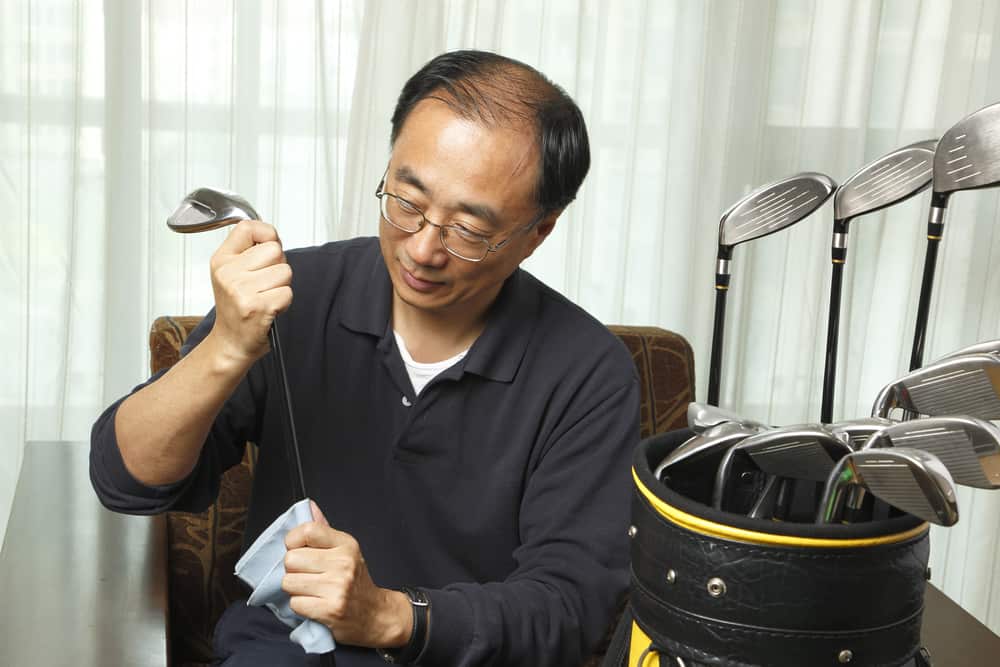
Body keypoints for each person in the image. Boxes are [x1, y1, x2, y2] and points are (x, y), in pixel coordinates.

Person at [91, 49, 639, 666]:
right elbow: (124, 479)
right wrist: (224, 349)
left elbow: (573, 609)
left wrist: (387, 615)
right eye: (406, 200)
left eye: (469, 230)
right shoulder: (296, 295)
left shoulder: (591, 374)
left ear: (539, 231)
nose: (424, 249)